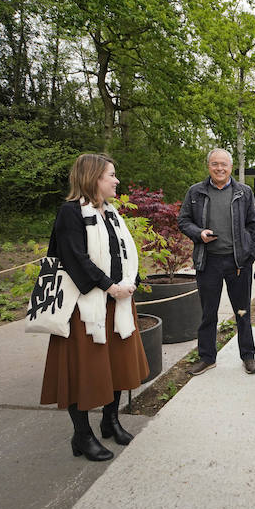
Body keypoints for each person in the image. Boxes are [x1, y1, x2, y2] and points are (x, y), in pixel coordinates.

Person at [40, 153, 150, 461]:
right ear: (93, 178)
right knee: (83, 371)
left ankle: (110, 421)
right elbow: (75, 258)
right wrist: (110, 287)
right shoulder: (70, 213)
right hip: (84, 308)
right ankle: (82, 436)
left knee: (116, 365)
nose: (116, 180)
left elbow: (125, 253)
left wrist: (131, 282)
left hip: (116, 304)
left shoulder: (111, 213)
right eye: (111, 175)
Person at [179, 148, 255, 376]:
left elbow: (254, 225)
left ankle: (248, 355)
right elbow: (183, 220)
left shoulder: (244, 192)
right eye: (215, 164)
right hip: (208, 262)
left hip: (238, 263)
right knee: (208, 313)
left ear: (231, 167)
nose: (219, 168)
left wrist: (250, 254)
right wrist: (198, 233)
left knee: (242, 311)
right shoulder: (196, 192)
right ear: (208, 166)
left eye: (224, 164)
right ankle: (207, 358)